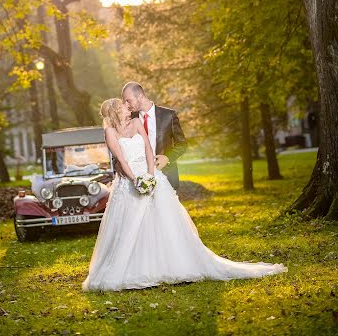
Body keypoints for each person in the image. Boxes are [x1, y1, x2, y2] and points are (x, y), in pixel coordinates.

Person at [82, 97, 288, 292]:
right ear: (115, 110)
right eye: (123, 105)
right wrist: (135, 180)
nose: (127, 106)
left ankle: (174, 263)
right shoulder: (110, 131)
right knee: (131, 225)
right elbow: (121, 160)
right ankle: (135, 268)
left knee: (164, 220)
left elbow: (147, 148)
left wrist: (151, 175)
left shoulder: (136, 123)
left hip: (150, 172)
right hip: (129, 180)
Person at [118, 82, 187, 191]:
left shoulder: (168, 115)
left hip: (166, 175)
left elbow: (182, 144)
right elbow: (119, 146)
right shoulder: (128, 119)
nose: (126, 105)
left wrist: (167, 158)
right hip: (137, 178)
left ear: (140, 96)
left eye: (128, 100)